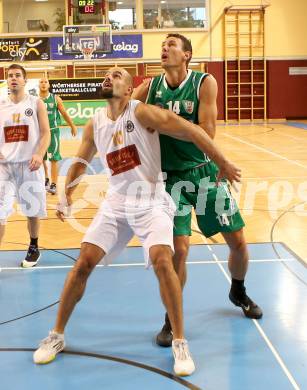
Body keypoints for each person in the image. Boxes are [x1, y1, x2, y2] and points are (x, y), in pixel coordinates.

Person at [33, 67, 241, 376]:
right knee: (83, 263)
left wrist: (222, 161)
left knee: (163, 261)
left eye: (117, 75)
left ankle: (180, 342)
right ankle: (56, 335)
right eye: (106, 74)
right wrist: (66, 196)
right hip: (116, 203)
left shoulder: (143, 113)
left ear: (130, 90)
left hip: (151, 201)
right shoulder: (95, 123)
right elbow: (79, 161)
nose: (109, 76)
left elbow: (193, 130)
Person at [132, 33, 263, 347]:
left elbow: (207, 131)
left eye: (172, 45)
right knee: (179, 253)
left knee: (239, 244)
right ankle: (171, 318)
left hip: (203, 174)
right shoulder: (149, 87)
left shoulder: (205, 82)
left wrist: (163, 122)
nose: (164, 48)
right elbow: (125, 108)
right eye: (162, 45)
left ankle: (238, 290)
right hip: (169, 181)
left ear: (187, 55)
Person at [0, 64, 50, 267]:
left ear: (25, 80)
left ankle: (34, 246)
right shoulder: (1, 104)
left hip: (29, 165)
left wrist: (39, 154)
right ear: (6, 80)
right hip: (5, 166)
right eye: (10, 75)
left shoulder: (36, 103)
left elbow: (46, 133)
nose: (13, 78)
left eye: (17, 75)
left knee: (32, 210)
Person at [39, 77, 77, 195]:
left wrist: (72, 126)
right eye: (41, 81)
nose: (44, 84)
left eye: (46, 82)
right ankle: (45, 179)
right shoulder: (34, 100)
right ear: (38, 85)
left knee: (54, 158)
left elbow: (64, 113)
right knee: (41, 158)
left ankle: (54, 184)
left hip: (53, 131)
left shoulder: (55, 99)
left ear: (49, 85)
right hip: (39, 133)